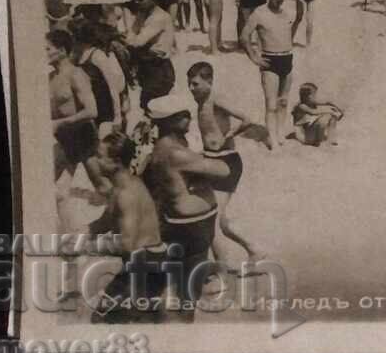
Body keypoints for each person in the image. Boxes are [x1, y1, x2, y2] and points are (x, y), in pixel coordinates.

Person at [144, 93, 232, 318]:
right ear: (170, 121)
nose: (189, 118)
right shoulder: (175, 152)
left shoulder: (167, 145)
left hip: (181, 223)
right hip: (191, 228)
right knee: (187, 293)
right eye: (183, 115)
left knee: (171, 281)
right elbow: (223, 170)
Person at [188, 62, 267, 268]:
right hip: (211, 160)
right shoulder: (201, 102)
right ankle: (254, 249)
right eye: (189, 84)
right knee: (220, 221)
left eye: (195, 84)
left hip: (226, 161)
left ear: (209, 81)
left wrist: (230, 134)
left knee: (211, 222)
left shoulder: (216, 99)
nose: (191, 88)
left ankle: (221, 272)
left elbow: (248, 118)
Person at [87, 131, 168, 323]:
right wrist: (83, 232)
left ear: (114, 162)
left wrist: (87, 247)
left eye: (99, 156)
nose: (94, 161)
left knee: (101, 321)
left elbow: (127, 244)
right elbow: (105, 221)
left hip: (146, 266)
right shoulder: (123, 185)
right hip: (146, 262)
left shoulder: (126, 194)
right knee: (140, 323)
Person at [49, 29, 106, 209]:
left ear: (62, 51)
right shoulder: (50, 77)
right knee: (49, 186)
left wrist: (59, 123)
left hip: (84, 138)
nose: (43, 53)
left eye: (47, 49)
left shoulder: (76, 75)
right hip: (64, 139)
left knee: (104, 187)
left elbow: (92, 111)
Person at [241, 0, 297, 148]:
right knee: (271, 104)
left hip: (287, 58)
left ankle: (280, 133)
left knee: (284, 101)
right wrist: (254, 58)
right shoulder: (259, 13)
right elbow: (244, 37)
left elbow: (295, 23)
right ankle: (271, 139)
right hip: (270, 60)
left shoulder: (287, 13)